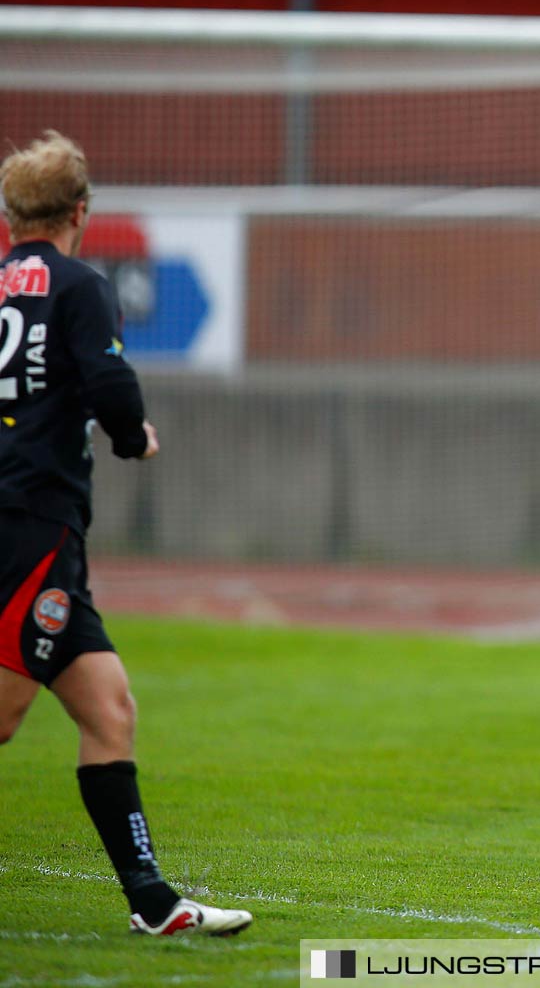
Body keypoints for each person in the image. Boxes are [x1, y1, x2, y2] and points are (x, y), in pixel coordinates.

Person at [0, 132, 252, 937]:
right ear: (81, 211)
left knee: (108, 709)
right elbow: (110, 379)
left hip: (41, 529)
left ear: (9, 219)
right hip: (29, 521)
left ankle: (154, 904)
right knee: (2, 713)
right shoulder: (79, 285)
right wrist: (131, 435)